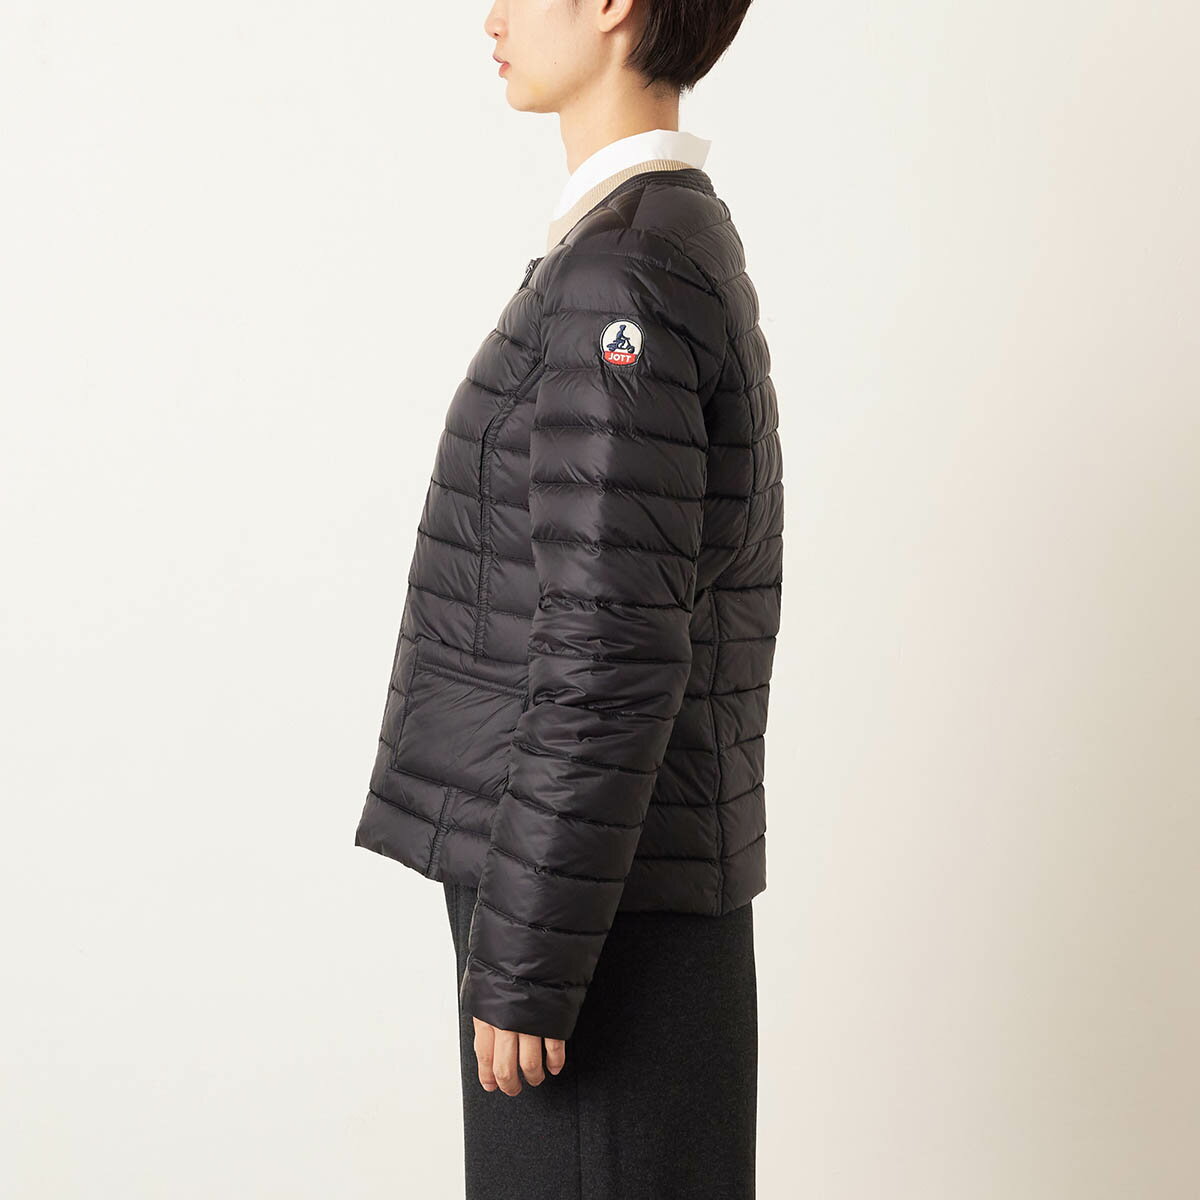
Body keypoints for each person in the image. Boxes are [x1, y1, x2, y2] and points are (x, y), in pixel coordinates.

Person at [354, 1, 781, 1195]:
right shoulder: (646, 240)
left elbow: (610, 646)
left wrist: (530, 958)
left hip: (596, 938)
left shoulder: (624, 270)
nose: (491, 13)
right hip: (607, 901)